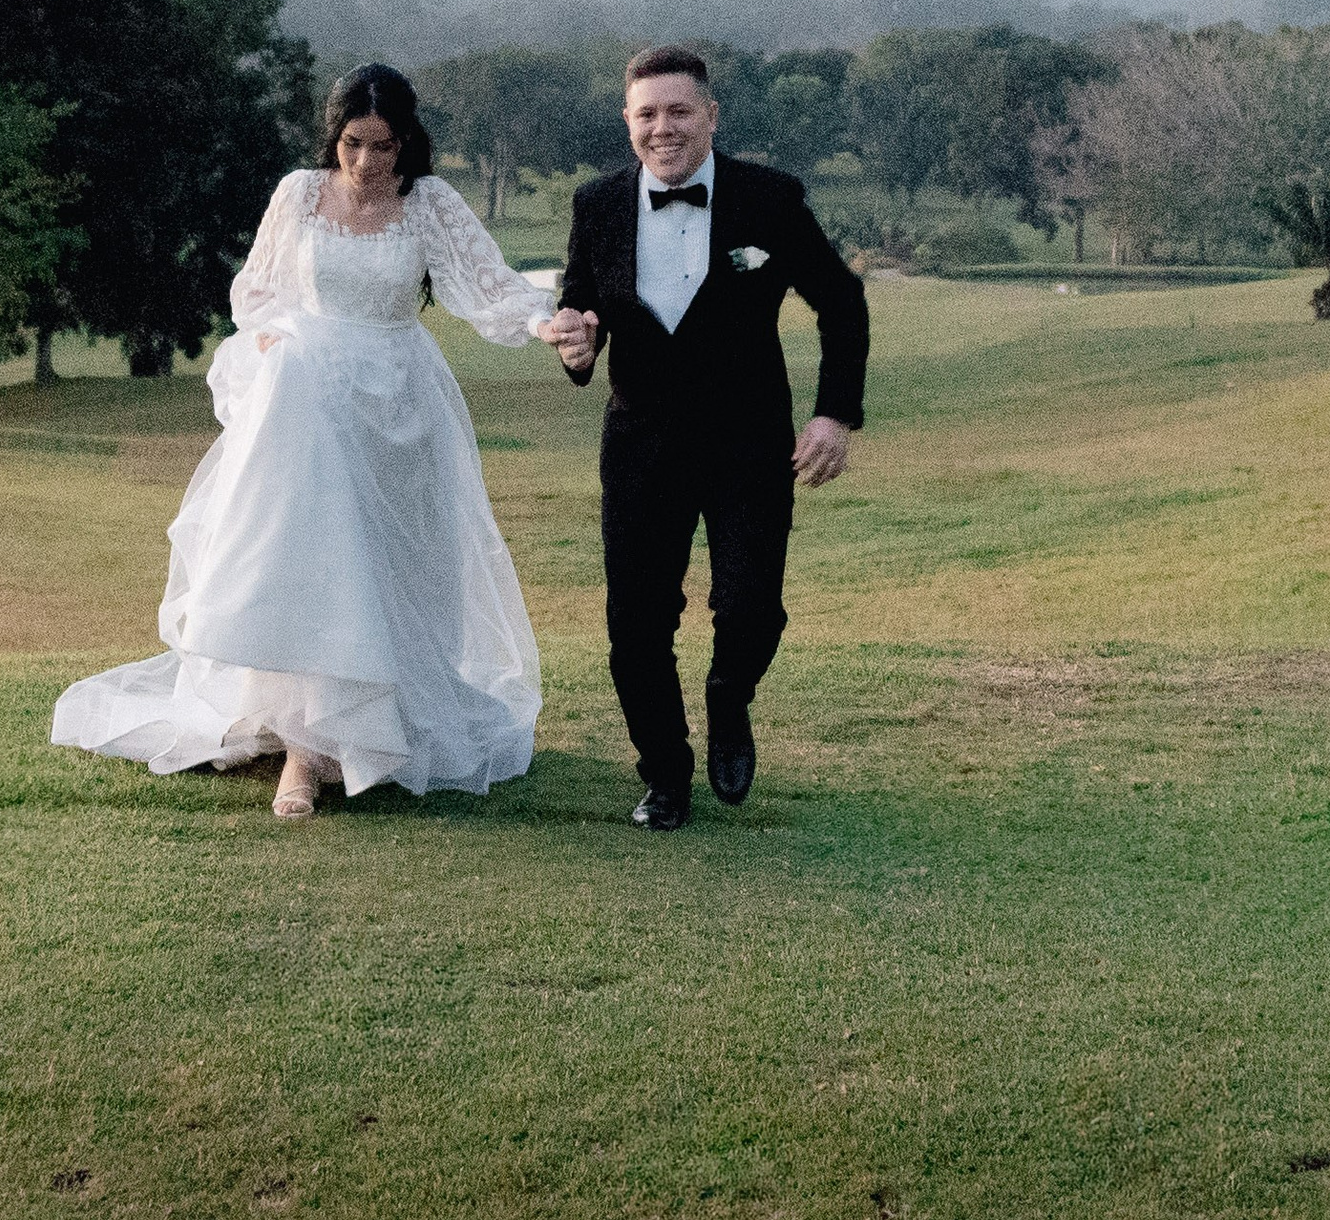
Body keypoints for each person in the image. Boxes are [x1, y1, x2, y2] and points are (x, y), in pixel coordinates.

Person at [51, 64, 563, 820]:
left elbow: (489, 284)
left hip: (398, 399)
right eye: (354, 143)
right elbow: (255, 289)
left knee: (396, 566)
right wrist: (271, 340)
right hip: (312, 398)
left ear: (406, 142)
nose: (366, 162)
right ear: (335, 135)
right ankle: (305, 749)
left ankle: (375, 727)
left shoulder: (429, 203)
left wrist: (545, 320)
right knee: (318, 563)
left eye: (384, 146)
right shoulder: (298, 193)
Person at [543, 44, 867, 832]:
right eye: (647, 113)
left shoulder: (771, 198)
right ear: (627, 123)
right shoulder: (598, 205)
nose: (664, 128)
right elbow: (578, 307)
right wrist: (577, 343)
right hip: (641, 444)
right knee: (635, 626)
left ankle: (729, 696)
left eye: (680, 111)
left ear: (711, 116)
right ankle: (665, 776)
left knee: (753, 605)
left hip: (750, 443)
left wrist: (834, 414)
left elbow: (842, 301)